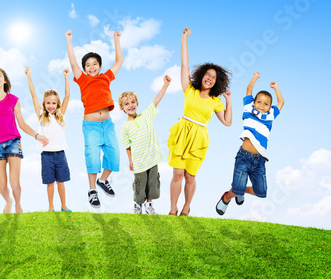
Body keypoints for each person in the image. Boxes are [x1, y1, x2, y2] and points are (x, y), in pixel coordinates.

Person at [168, 27, 232, 216]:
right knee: (177, 174)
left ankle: (187, 207)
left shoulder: (216, 101)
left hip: (199, 137)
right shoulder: (190, 89)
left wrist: (229, 101)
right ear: (202, 75)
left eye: (214, 78)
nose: (210, 78)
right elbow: (185, 64)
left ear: (216, 83)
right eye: (208, 75)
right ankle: (173, 209)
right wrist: (184, 38)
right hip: (182, 132)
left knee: (190, 176)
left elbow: (227, 122)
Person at [0, 67, 48, 214]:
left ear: (4, 80)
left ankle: (18, 204)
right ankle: (9, 201)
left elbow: (22, 124)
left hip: (13, 143)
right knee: (1, 186)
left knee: (14, 183)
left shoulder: (13, 99)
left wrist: (37, 135)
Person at [65, 29, 123, 208]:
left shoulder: (106, 77)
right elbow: (73, 62)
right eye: (88, 65)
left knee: (114, 158)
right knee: (93, 159)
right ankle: (92, 191)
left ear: (99, 66)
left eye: (95, 64)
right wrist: (69, 40)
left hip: (108, 125)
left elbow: (119, 61)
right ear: (84, 69)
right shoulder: (82, 79)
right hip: (91, 126)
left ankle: (103, 181)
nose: (91, 67)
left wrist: (116, 39)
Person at [216, 71, 284, 215]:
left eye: (266, 104)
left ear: (270, 107)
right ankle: (227, 197)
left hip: (259, 161)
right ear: (253, 102)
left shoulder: (271, 115)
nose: (261, 105)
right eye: (259, 102)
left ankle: (239, 190)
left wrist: (276, 88)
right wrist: (256, 77)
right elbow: (249, 90)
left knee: (261, 192)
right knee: (236, 189)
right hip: (244, 157)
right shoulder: (249, 109)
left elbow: (281, 102)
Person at [119, 75, 172, 215]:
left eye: (132, 102)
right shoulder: (124, 127)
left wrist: (165, 85)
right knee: (139, 185)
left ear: (137, 103)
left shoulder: (146, 115)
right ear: (122, 108)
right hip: (139, 161)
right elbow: (127, 146)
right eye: (126, 104)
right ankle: (137, 205)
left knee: (152, 184)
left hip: (152, 159)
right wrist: (130, 161)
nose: (130, 105)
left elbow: (156, 101)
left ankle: (149, 205)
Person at [25, 66, 72, 212]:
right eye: (48, 103)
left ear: (57, 104)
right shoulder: (41, 116)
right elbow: (33, 95)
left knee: (61, 182)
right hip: (47, 155)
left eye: (53, 103)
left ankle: (64, 206)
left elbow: (67, 96)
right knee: (50, 183)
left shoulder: (61, 115)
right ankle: (51, 207)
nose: (51, 106)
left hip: (60, 154)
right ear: (44, 104)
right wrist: (29, 77)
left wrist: (65, 77)